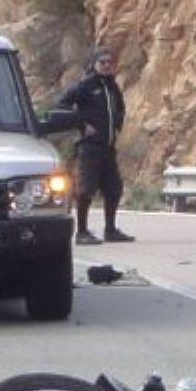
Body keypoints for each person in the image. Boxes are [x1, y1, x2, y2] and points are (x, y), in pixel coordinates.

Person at [57, 47, 132, 245]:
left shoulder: (112, 86)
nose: (107, 65)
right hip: (89, 147)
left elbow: (120, 108)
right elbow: (62, 104)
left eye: (110, 62)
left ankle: (111, 230)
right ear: (94, 64)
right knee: (86, 190)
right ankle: (81, 232)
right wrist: (82, 124)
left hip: (108, 147)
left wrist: (117, 125)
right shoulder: (86, 86)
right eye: (103, 62)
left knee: (114, 188)